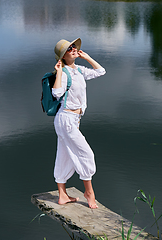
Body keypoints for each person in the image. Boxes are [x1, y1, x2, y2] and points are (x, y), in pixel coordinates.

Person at [52, 38, 106, 209]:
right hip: (66, 119)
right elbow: (57, 93)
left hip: (72, 120)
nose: (74, 49)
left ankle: (62, 195)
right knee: (86, 154)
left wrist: (87, 57)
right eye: (70, 49)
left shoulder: (79, 70)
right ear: (63, 56)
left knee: (64, 155)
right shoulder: (64, 72)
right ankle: (89, 192)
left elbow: (101, 71)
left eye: (74, 46)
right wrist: (59, 72)